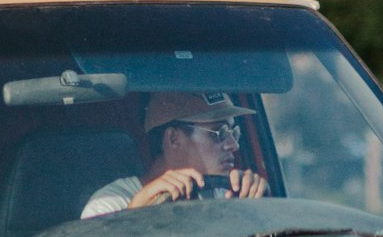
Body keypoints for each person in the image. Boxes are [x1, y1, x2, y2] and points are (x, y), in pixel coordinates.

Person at [81, 91, 269, 217]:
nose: (233, 145)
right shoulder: (110, 204)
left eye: (234, 133)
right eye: (219, 134)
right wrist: (133, 217)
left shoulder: (224, 195)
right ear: (173, 139)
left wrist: (257, 208)